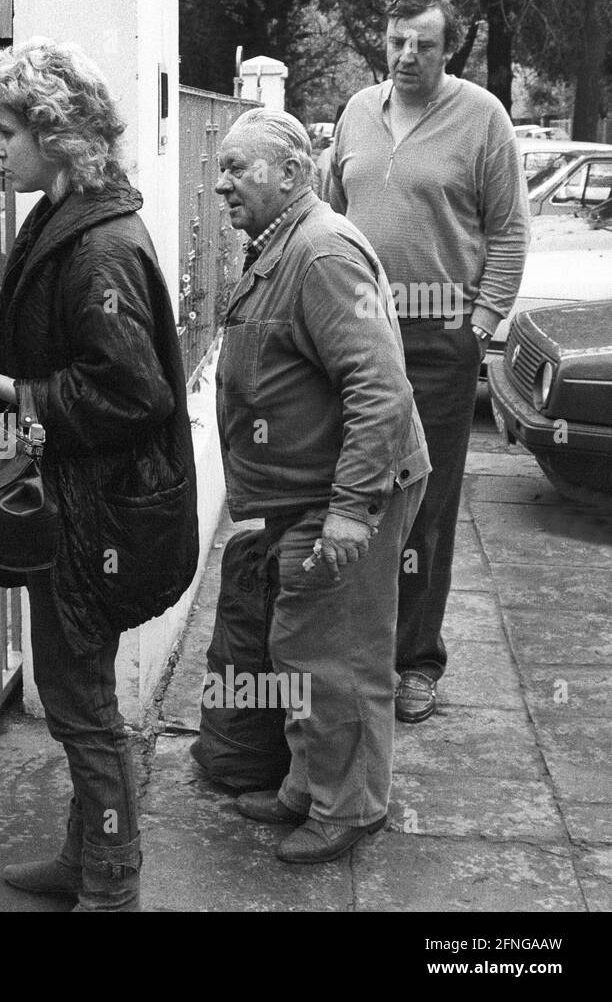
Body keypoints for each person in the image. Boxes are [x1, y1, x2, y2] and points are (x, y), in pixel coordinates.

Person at [0, 38, 199, 911]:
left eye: (5, 133)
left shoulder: (100, 248)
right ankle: (86, 858)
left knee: (80, 707)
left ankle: (111, 881)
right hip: (87, 514)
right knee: (80, 692)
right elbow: (50, 332)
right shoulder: (66, 219)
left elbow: (129, 391)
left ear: (57, 136)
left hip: (98, 521)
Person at [214, 108, 430, 863]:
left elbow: (380, 387)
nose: (220, 184)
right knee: (303, 648)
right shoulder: (287, 243)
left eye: (239, 168)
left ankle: (351, 807)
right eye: (222, 168)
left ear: (295, 173)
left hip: (344, 494)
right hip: (309, 492)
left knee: (337, 658)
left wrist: (349, 510)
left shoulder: (321, 254)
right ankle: (308, 785)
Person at [328, 0, 528, 723]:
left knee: (426, 505)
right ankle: (358, 646)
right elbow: (329, 215)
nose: (408, 55)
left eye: (425, 43)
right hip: (355, 334)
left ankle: (414, 661)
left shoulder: (483, 118)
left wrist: (479, 326)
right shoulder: (356, 111)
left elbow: (508, 230)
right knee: (351, 490)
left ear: (449, 49)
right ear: (384, 42)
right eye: (398, 42)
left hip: (441, 339)